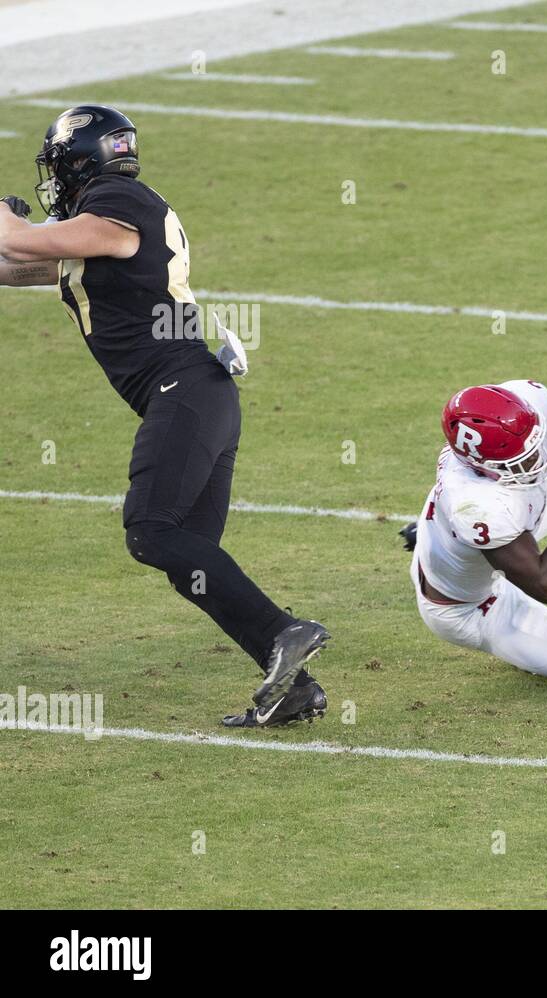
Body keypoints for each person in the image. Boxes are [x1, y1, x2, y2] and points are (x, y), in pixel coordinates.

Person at [0, 105, 327, 727]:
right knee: (190, 557)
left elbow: (16, 240)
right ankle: (294, 686)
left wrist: (5, 215)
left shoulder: (116, 202)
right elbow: (19, 266)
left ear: (76, 161)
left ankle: (287, 629)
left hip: (183, 392)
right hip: (200, 393)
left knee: (151, 530)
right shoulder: (109, 221)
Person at [401, 377, 547, 686]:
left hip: (483, 530)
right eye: (521, 457)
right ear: (481, 464)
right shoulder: (476, 505)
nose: (536, 457)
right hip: (471, 608)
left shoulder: (520, 407)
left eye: (534, 442)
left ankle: (436, 537)